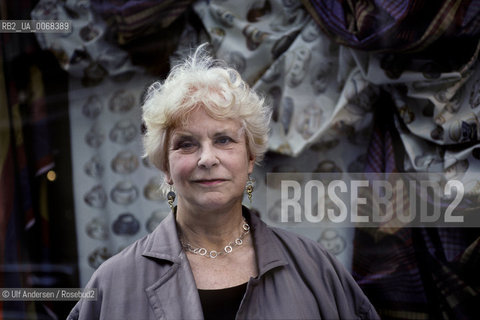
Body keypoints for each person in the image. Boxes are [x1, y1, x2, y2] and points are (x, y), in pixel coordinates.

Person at [68, 45, 379, 320]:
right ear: (165, 166)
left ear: (250, 158)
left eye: (224, 140)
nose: (207, 158)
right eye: (186, 144)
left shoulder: (314, 268)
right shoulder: (113, 284)